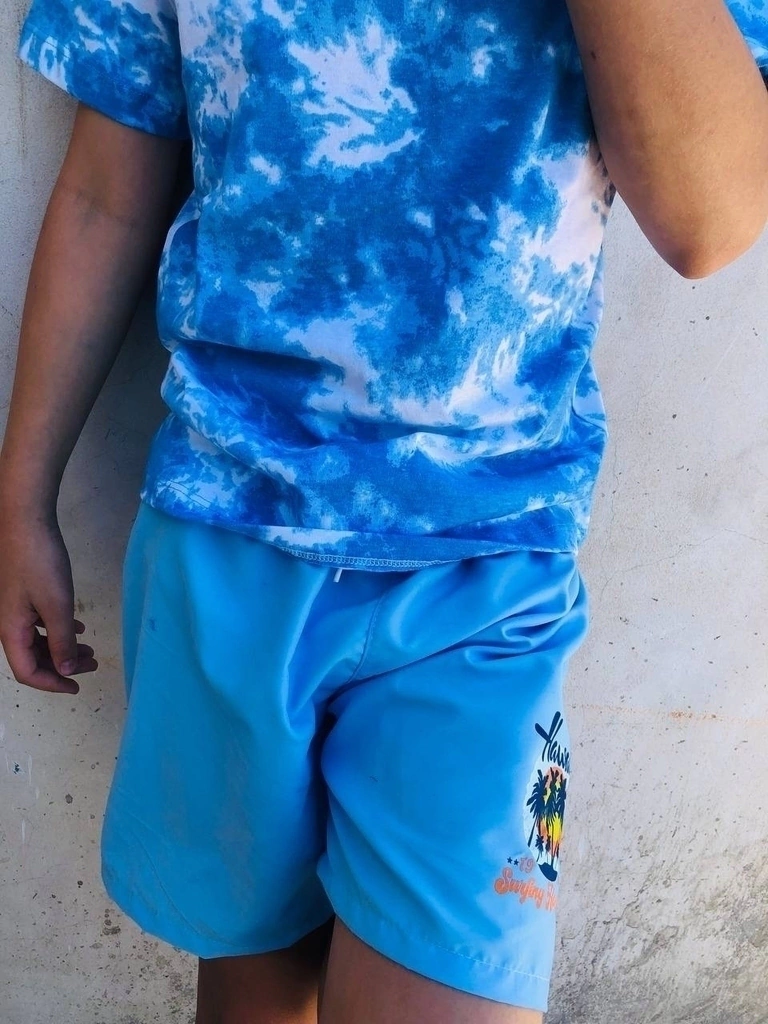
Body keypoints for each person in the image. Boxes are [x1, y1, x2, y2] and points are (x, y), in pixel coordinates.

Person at [1, 0, 767, 1019]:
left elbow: (710, 220)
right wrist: (23, 498)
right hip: (224, 535)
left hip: (485, 571)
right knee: (252, 989)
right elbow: (105, 192)